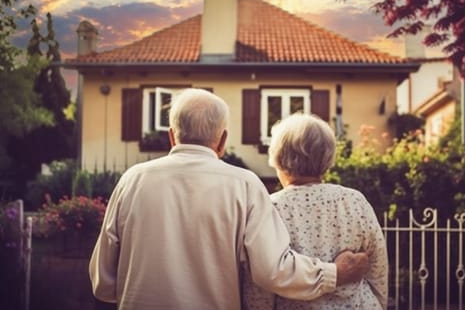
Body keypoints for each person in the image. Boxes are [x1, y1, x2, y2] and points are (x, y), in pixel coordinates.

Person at [88, 88, 370, 310]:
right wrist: (335, 273)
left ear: (172, 136)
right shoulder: (244, 184)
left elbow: (102, 280)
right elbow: (272, 271)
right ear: (222, 141)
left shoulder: (132, 179)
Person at [242, 113, 389, 309]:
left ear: (278, 158)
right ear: (327, 157)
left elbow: (259, 285)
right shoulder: (355, 201)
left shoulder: (271, 209)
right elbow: (378, 267)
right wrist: (378, 304)